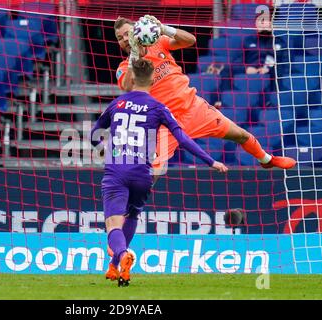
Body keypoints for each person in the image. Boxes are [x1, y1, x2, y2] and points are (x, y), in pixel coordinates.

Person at [90, 58, 228, 286]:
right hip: (143, 173)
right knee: (132, 215)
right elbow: (183, 138)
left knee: (114, 224)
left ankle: (123, 256)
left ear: (131, 78)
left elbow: (95, 133)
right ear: (153, 80)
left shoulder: (117, 104)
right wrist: (210, 161)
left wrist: (105, 151)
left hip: (117, 171)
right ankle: (115, 267)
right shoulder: (159, 107)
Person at [113, 15, 296, 177]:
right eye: (120, 38)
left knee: (240, 135)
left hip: (195, 109)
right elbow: (128, 86)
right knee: (153, 172)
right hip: (164, 123)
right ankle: (130, 211)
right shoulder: (123, 68)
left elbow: (190, 40)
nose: (124, 40)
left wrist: (164, 29)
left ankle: (267, 160)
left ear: (137, 31)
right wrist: (135, 54)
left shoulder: (159, 43)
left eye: (127, 34)